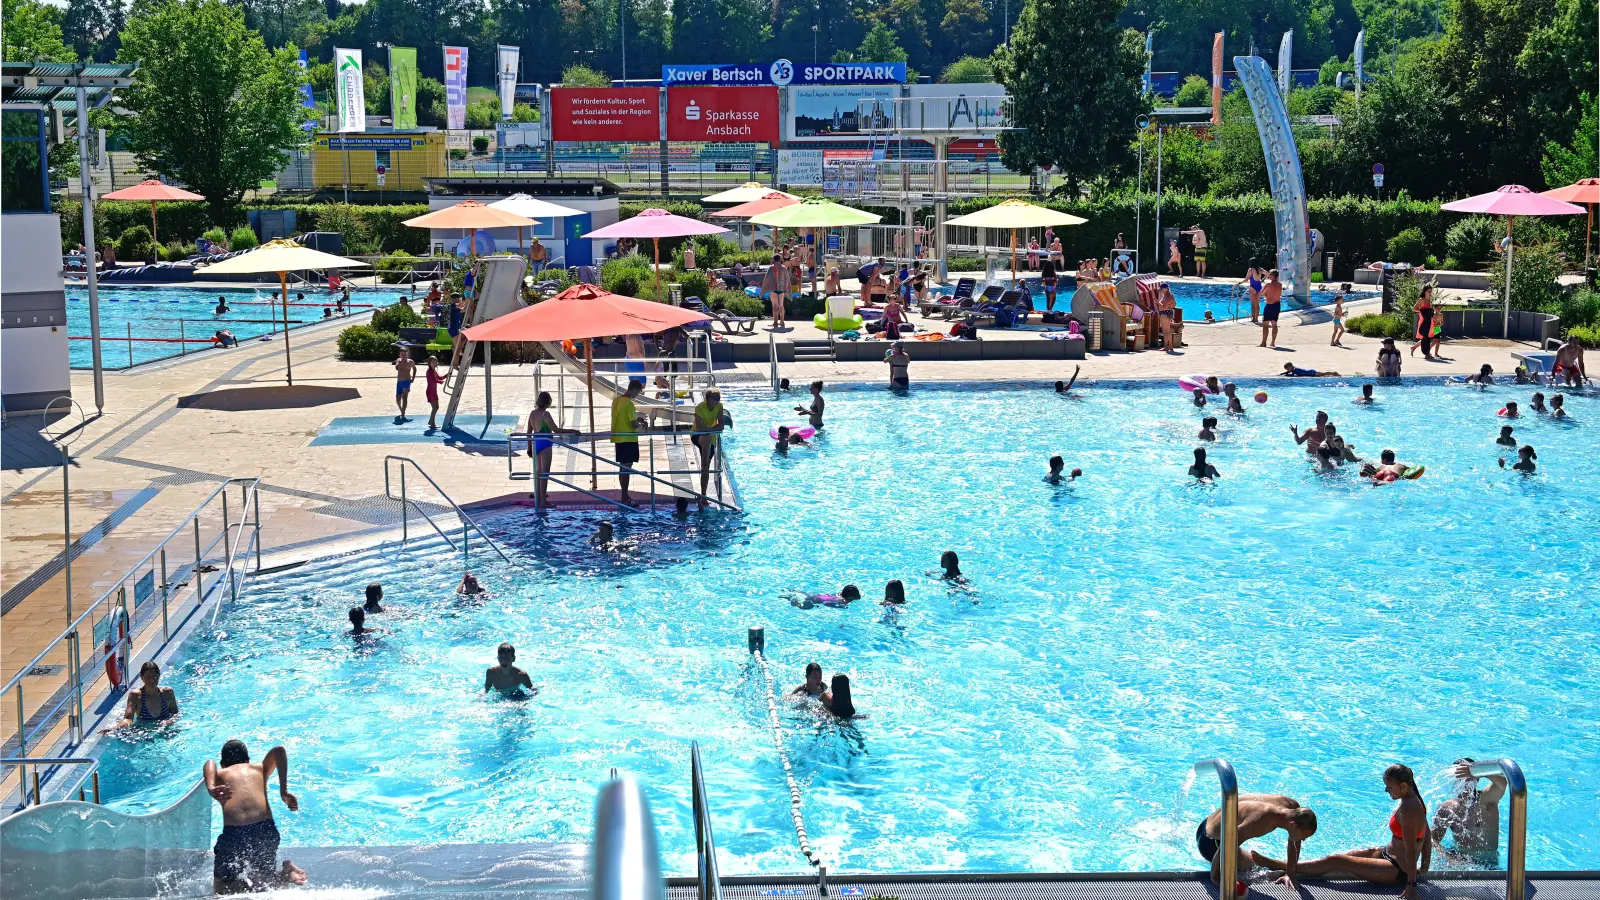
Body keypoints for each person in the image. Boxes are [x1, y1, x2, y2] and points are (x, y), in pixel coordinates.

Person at [1257, 764, 1429, 900]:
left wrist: (1412, 884)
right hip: (1386, 854)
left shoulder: (1409, 808)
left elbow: (1411, 849)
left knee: (1337, 861)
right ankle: (1287, 866)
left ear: (1404, 786)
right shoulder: (1414, 800)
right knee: (1338, 858)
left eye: (1389, 787)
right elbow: (1426, 834)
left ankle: (1278, 864)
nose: (1386, 791)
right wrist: (1426, 866)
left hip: (1396, 869)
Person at [204, 740, 306, 894]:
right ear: (247, 760)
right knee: (265, 884)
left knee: (221, 890)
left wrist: (211, 787)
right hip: (265, 830)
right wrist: (283, 791)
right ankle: (287, 873)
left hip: (235, 834)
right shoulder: (260, 769)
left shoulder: (220, 774)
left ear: (223, 764)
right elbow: (279, 750)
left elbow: (209, 763)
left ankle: (284, 876)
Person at [1195, 794, 1317, 891]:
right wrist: (1215, 876)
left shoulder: (1292, 806)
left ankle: (1285, 867)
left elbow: (1295, 840)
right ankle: (1275, 864)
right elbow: (1228, 842)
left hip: (1206, 823)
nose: (1304, 839)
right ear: (1292, 824)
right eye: (1304, 836)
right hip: (1210, 843)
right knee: (1256, 865)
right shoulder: (1261, 821)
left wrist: (1290, 873)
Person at [1432, 759, 1509, 865]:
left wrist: (1477, 769)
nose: (1465, 780)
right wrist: (1447, 856)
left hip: (1488, 863)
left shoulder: (1486, 800)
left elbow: (1502, 784)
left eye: (1469, 776)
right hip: (1460, 859)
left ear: (1477, 779)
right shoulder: (1447, 809)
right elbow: (1432, 840)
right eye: (1460, 776)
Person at [526, 392, 579, 507]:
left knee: (538, 473)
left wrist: (529, 447)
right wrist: (572, 431)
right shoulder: (546, 414)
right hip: (545, 445)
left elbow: (528, 433)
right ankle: (543, 501)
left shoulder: (532, 413)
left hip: (535, 444)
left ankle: (538, 499)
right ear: (548, 402)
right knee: (544, 473)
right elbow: (556, 430)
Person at [106, 661, 179, 730]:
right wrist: (113, 728)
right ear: (141, 677)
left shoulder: (167, 692)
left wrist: (170, 721)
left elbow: (175, 713)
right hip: (144, 733)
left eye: (155, 676)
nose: (152, 680)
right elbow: (128, 719)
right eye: (148, 677)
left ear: (159, 676)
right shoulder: (136, 696)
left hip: (165, 731)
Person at [611, 381, 647, 506]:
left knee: (622, 469)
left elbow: (623, 418)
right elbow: (632, 424)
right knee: (626, 469)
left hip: (619, 438)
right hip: (628, 439)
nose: (638, 394)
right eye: (639, 392)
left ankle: (624, 496)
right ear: (635, 389)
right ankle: (624, 498)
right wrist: (641, 425)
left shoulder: (616, 400)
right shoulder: (630, 404)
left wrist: (637, 418)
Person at [692, 390, 728, 509]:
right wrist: (711, 429)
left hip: (709, 438)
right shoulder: (700, 408)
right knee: (705, 464)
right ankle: (703, 494)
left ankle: (703, 494)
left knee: (706, 467)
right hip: (697, 435)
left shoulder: (719, 406)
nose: (718, 403)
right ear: (708, 399)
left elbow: (721, 425)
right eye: (715, 400)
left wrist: (708, 430)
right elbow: (699, 427)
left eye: (719, 400)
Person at [763, 254, 790, 328]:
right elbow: (787, 279)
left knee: (775, 306)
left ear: (773, 260)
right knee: (781, 305)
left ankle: (775, 322)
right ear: (780, 259)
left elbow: (766, 278)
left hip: (773, 288)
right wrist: (787, 289)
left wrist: (763, 289)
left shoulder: (771, 268)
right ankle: (782, 321)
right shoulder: (784, 268)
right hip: (781, 289)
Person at [1259, 269, 1283, 348]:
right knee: (1274, 324)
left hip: (1269, 305)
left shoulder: (1268, 284)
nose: (1268, 276)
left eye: (1269, 274)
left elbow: (1261, 293)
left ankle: (1263, 342)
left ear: (1272, 276)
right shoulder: (1280, 284)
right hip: (1277, 305)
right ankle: (1272, 342)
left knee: (1265, 324)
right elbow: (1276, 294)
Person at [1415, 284, 1438, 360]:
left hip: (1429, 322)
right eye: (1429, 291)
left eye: (1431, 291)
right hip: (1424, 322)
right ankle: (1426, 353)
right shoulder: (1421, 299)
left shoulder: (1428, 300)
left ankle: (1427, 352)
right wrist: (1422, 311)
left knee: (1429, 338)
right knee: (1426, 338)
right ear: (1425, 291)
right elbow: (1414, 309)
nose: (1430, 293)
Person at [789, 585, 861, 609]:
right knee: (805, 606)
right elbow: (826, 603)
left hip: (816, 596)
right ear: (850, 598)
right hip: (813, 601)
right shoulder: (841, 602)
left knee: (806, 595)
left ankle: (793, 592)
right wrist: (839, 606)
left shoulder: (838, 594)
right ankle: (795, 603)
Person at [1240, 258, 1265, 324]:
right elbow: (1267, 273)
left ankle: (1253, 319)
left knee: (1253, 304)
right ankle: (1256, 319)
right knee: (1257, 304)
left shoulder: (1250, 270)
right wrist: (1262, 280)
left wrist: (1239, 283)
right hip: (1259, 287)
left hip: (1253, 287)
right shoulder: (1260, 269)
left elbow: (1246, 279)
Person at [393, 347, 415, 420]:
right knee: (398, 399)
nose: (403, 353)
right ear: (400, 354)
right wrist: (400, 362)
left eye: (404, 352)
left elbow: (415, 369)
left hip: (406, 381)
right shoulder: (398, 360)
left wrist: (413, 378)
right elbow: (396, 368)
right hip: (399, 381)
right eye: (401, 352)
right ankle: (401, 410)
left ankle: (403, 413)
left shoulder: (410, 361)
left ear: (407, 353)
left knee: (404, 397)